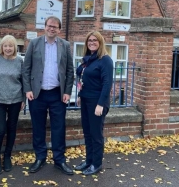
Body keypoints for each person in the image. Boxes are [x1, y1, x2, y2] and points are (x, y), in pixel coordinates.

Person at [22, 16, 74, 175]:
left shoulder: (65, 45)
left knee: (59, 128)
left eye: (55, 27)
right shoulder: (34, 43)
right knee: (38, 127)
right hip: (37, 94)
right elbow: (26, 68)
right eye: (49, 26)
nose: (52, 29)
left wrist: (67, 92)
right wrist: (28, 89)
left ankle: (59, 160)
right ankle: (40, 157)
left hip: (57, 95)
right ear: (45, 27)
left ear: (59, 29)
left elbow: (70, 70)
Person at [74, 31, 113, 176]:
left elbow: (107, 83)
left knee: (96, 134)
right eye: (89, 40)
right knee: (87, 133)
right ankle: (89, 160)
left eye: (95, 40)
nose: (91, 42)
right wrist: (80, 95)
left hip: (97, 103)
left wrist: (100, 104)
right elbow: (83, 80)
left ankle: (96, 164)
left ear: (100, 42)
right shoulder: (88, 59)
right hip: (85, 100)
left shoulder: (105, 60)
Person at [0, 35, 25, 175]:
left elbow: (24, 81)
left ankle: (7, 156)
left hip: (16, 99)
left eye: (11, 46)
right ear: (2, 47)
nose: (8, 48)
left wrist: (23, 99)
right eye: (5, 46)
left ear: (15, 47)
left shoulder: (19, 61)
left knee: (12, 128)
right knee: (0, 129)